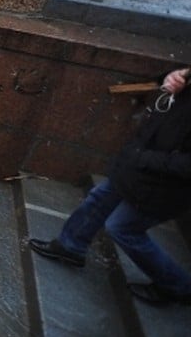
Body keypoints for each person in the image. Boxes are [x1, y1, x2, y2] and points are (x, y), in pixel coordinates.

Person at [29, 67, 191, 306]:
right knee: (100, 197)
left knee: (123, 228)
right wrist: (172, 77)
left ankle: (178, 286)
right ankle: (70, 246)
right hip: (140, 162)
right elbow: (170, 78)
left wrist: (143, 159)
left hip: (163, 182)